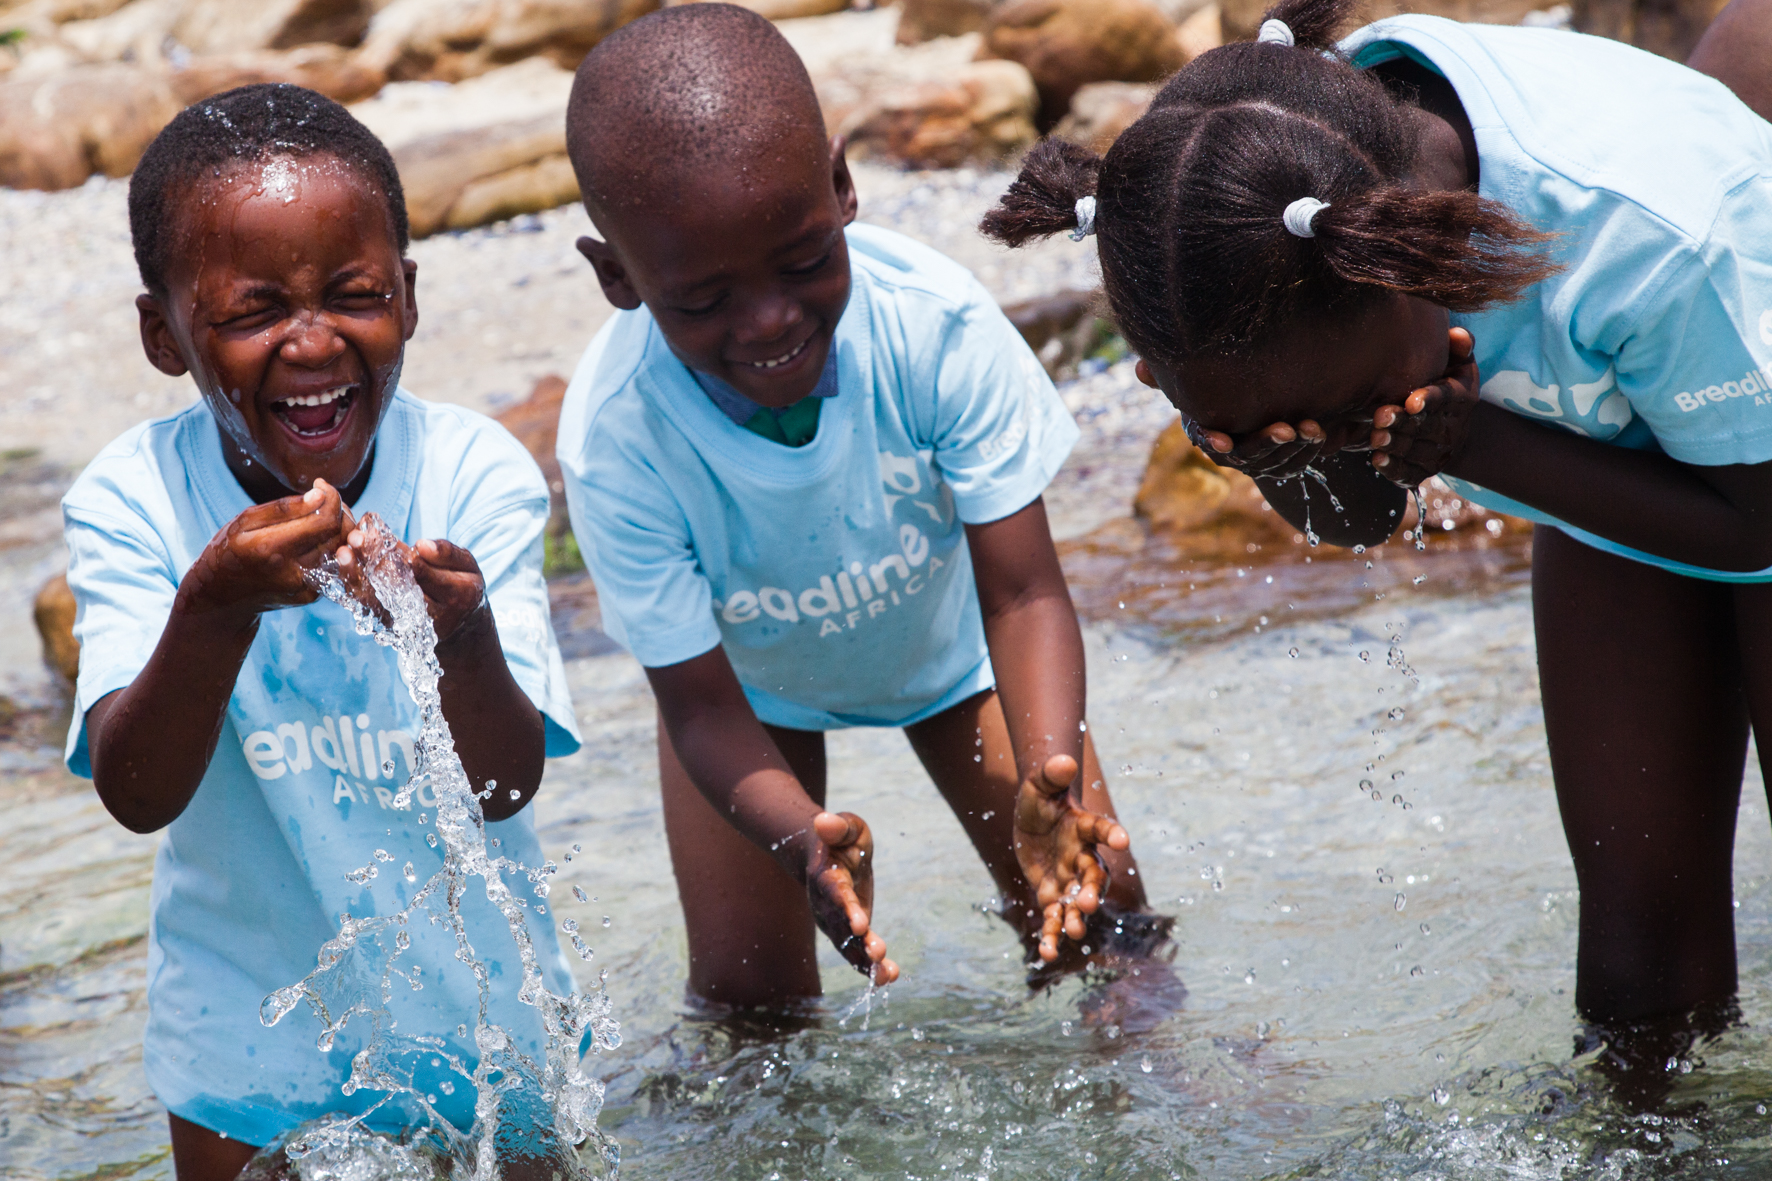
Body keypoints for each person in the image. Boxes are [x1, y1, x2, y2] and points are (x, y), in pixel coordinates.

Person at [983, 0, 1772, 1028]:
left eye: (1338, 417)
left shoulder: (1648, 232)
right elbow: (1356, 514)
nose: (1319, 442)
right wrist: (1298, 451)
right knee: (1635, 971)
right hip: (1607, 456)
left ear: (1409, 266)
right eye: (1249, 435)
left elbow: (1755, 530)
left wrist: (1480, 445)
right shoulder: (1256, 221)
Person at [556, 3, 1162, 1010]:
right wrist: (799, 832)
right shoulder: (618, 436)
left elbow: (1022, 596)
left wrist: (1048, 769)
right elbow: (697, 703)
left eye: (799, 263)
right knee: (749, 1007)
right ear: (617, 274)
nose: (767, 321)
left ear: (840, 188)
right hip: (747, 701)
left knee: (1103, 928)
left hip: (955, 657)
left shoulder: (933, 328)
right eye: (702, 299)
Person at [63, 84, 583, 1179]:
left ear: (408, 293)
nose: (311, 344)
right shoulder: (135, 497)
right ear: (164, 332)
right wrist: (214, 605)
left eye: (353, 294)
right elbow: (137, 790)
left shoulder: (470, 470)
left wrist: (461, 634)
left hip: (488, 1045)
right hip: (245, 1061)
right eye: (252, 312)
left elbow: (503, 786)